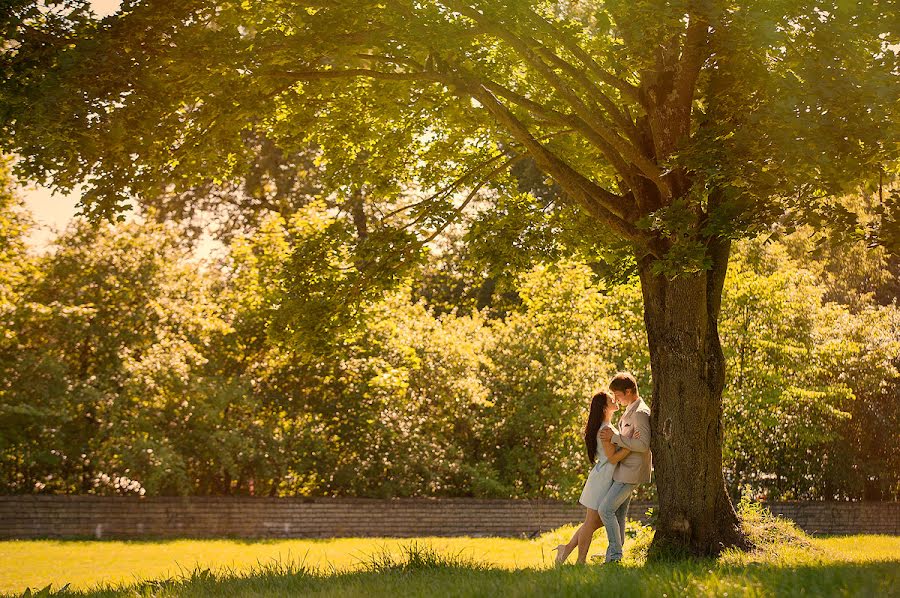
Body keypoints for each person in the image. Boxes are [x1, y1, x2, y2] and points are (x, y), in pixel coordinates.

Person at [554, 390, 634, 564]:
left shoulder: (606, 426)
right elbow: (613, 458)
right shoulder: (605, 429)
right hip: (603, 479)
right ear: (605, 407)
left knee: (595, 522)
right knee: (591, 523)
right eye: (610, 399)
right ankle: (580, 561)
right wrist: (632, 446)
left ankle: (566, 549)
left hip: (605, 477)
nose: (615, 400)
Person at [597, 372, 652, 564]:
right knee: (618, 513)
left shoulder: (640, 412)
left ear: (628, 391)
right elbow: (631, 441)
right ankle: (614, 556)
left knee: (605, 510)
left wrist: (615, 438)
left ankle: (614, 556)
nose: (616, 399)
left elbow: (644, 445)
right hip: (623, 469)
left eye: (618, 395)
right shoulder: (630, 409)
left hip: (632, 472)